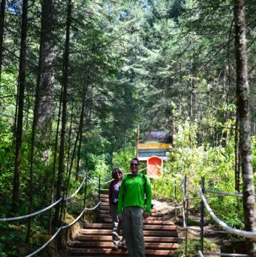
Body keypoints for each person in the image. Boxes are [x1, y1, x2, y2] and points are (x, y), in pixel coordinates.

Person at [117, 157, 152, 257]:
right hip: (126, 210)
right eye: (132, 164)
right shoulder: (125, 179)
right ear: (130, 166)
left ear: (139, 166)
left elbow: (149, 194)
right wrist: (119, 211)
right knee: (128, 235)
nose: (134, 166)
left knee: (138, 235)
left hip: (138, 209)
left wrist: (147, 209)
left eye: (136, 164)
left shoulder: (144, 178)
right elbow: (120, 196)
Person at [108, 167, 126, 250]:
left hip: (123, 206)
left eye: (119, 172)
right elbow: (110, 196)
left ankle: (124, 243)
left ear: (122, 173)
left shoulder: (125, 182)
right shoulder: (112, 184)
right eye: (115, 173)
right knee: (115, 225)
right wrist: (110, 207)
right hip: (114, 206)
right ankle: (116, 243)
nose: (117, 174)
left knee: (125, 225)